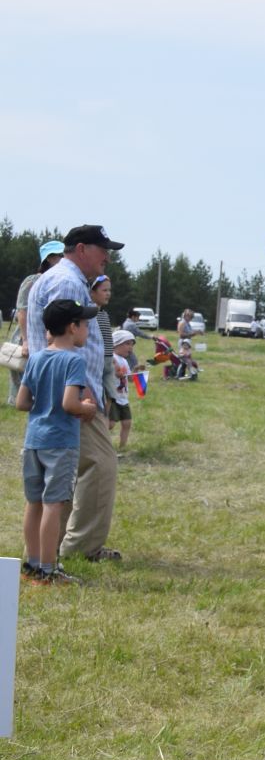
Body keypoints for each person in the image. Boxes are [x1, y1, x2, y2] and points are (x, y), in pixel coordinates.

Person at [27, 226, 125, 564]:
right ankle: (80, 549)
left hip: (58, 397)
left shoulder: (66, 279)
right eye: (103, 250)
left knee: (61, 477)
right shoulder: (68, 283)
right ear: (81, 249)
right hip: (71, 400)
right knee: (99, 466)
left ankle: (45, 553)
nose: (108, 258)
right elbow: (65, 342)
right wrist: (82, 398)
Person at [15, 298, 100, 583]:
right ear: (72, 327)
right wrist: (86, 408)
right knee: (54, 504)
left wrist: (44, 404)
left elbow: (21, 402)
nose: (87, 330)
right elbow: (68, 404)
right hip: (61, 443)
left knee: (33, 502)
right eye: (85, 324)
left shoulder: (37, 357)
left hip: (34, 440)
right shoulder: (74, 360)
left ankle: (33, 565)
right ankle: (49, 572)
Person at [8, 239, 63, 405]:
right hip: (28, 335)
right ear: (50, 259)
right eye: (60, 255)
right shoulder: (33, 280)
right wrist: (25, 340)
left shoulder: (58, 280)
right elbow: (22, 310)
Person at [108, 329, 137, 452]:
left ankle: (122, 447)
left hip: (123, 398)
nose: (130, 348)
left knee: (127, 423)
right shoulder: (112, 358)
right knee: (110, 424)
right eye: (127, 344)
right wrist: (117, 371)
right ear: (116, 343)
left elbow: (129, 379)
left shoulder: (125, 360)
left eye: (132, 344)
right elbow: (116, 373)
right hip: (113, 396)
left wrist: (136, 372)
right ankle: (103, 445)